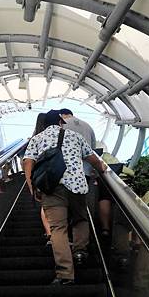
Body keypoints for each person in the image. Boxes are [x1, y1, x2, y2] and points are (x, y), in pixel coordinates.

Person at [23, 110, 107, 285]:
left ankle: (65, 274)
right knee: (80, 219)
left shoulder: (37, 139)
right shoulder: (74, 136)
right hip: (77, 185)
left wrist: (32, 186)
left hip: (51, 187)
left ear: (45, 124)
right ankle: (80, 252)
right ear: (61, 122)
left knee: (58, 229)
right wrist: (102, 169)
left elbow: (28, 161)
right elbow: (92, 158)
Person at [59, 109, 113, 239]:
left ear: (61, 116)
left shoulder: (61, 125)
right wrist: (96, 169)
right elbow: (92, 152)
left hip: (66, 173)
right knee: (80, 206)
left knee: (63, 204)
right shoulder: (88, 126)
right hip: (85, 173)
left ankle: (65, 235)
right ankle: (79, 240)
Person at [29, 113, 51, 243]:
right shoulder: (51, 136)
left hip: (39, 175)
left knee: (45, 203)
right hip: (52, 174)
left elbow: (27, 161)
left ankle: (48, 232)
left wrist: (31, 182)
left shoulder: (35, 137)